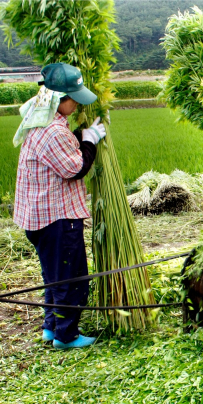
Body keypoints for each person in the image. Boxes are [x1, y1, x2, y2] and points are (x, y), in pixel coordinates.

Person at [13, 63, 106, 349]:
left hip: (37, 217)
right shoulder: (53, 130)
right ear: (59, 98)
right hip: (57, 219)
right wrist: (89, 140)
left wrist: (79, 136)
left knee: (53, 275)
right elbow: (75, 168)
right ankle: (67, 335)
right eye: (73, 98)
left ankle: (51, 327)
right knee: (69, 276)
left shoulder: (36, 119)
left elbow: (61, 152)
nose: (77, 103)